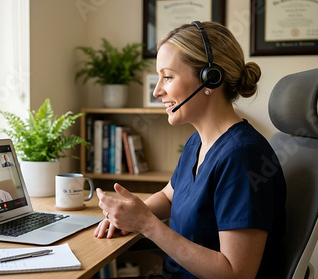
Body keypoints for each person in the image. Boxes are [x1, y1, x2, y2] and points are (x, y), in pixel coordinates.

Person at [94, 21, 286, 279]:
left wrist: (147, 225)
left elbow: (237, 273)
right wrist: (128, 214)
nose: (157, 91)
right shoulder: (198, 141)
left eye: (168, 77)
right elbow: (170, 196)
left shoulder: (243, 156)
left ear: (211, 78)